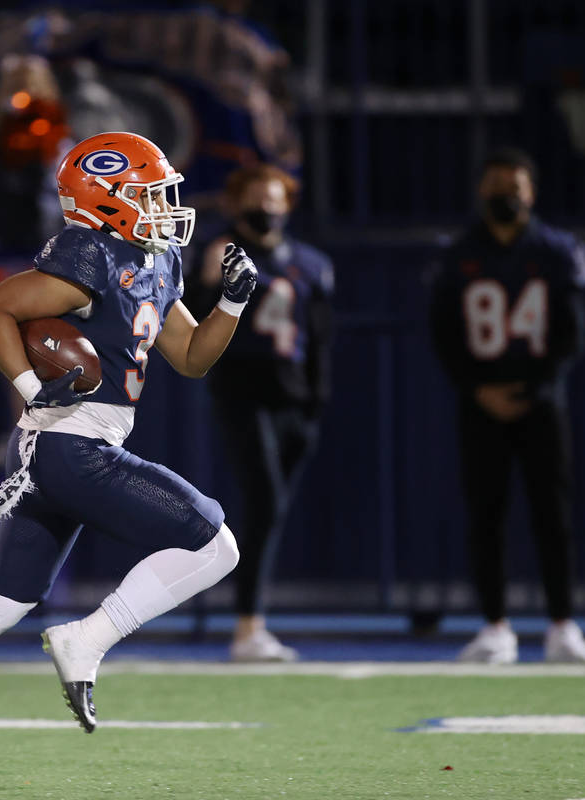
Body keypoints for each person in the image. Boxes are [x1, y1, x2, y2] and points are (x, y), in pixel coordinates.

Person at [0, 131, 258, 785]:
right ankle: (87, 638)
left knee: (0, 601)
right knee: (216, 542)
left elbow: (192, 358)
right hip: (71, 441)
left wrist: (232, 303)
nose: (162, 203)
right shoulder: (88, 251)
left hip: (67, 446)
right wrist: (33, 390)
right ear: (109, 199)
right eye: (148, 191)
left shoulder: (157, 259)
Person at [428, 147, 585, 664]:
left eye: (515, 187)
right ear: (482, 191)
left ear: (532, 194)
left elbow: (572, 333)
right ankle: (496, 625)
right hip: (480, 400)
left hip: (540, 401)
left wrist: (535, 388)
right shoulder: (459, 254)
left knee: (553, 514)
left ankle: (562, 625)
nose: (506, 196)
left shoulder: (555, 250)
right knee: (487, 515)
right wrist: (477, 388)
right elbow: (445, 332)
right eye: (497, 185)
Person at [193, 164, 333, 662]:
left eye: (274, 199)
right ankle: (248, 625)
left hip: (293, 399)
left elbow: (318, 338)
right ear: (234, 203)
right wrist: (210, 281)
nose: (266, 208)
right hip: (242, 392)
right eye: (255, 198)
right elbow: (191, 322)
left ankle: (251, 623)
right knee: (266, 503)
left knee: (267, 513)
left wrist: (316, 400)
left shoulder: (310, 264)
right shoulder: (218, 252)